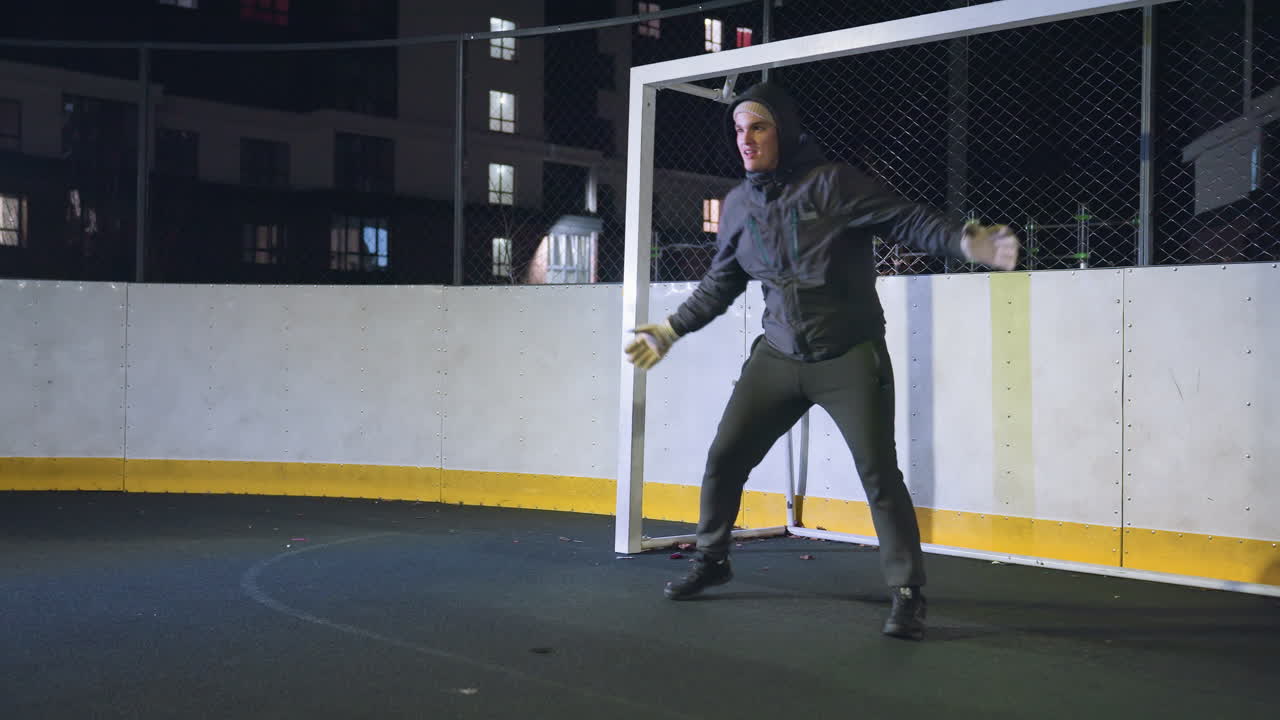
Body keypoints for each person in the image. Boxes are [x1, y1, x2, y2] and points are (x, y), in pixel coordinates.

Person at [623, 81, 1019, 641]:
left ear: (782, 130)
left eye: (757, 127)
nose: (746, 140)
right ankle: (712, 558)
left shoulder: (833, 184)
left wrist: (967, 241)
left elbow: (909, 221)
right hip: (778, 356)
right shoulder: (739, 205)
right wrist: (668, 329)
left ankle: (907, 592)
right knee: (725, 457)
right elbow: (719, 286)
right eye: (738, 130)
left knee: (879, 476)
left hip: (848, 355)